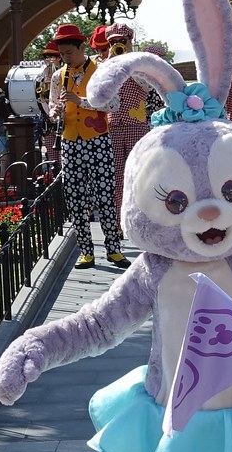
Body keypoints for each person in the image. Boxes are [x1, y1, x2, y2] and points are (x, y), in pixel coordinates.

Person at [48, 23, 129, 269]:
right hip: (71, 141)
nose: (65, 58)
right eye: (62, 54)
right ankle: (86, 251)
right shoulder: (57, 76)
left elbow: (113, 104)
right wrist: (56, 111)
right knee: (76, 198)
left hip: (97, 139)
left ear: (82, 47)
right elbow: (51, 107)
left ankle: (114, 250)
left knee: (105, 194)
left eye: (69, 53)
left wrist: (80, 101)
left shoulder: (101, 71)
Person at [103, 23, 159, 221]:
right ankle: (120, 220)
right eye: (113, 42)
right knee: (117, 176)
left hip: (137, 125)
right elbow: (100, 90)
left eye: (122, 41)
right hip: (113, 126)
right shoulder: (106, 65)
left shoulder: (141, 63)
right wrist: (110, 63)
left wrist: (129, 65)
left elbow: (148, 87)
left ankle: (142, 217)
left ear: (130, 41)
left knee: (140, 173)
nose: (118, 45)